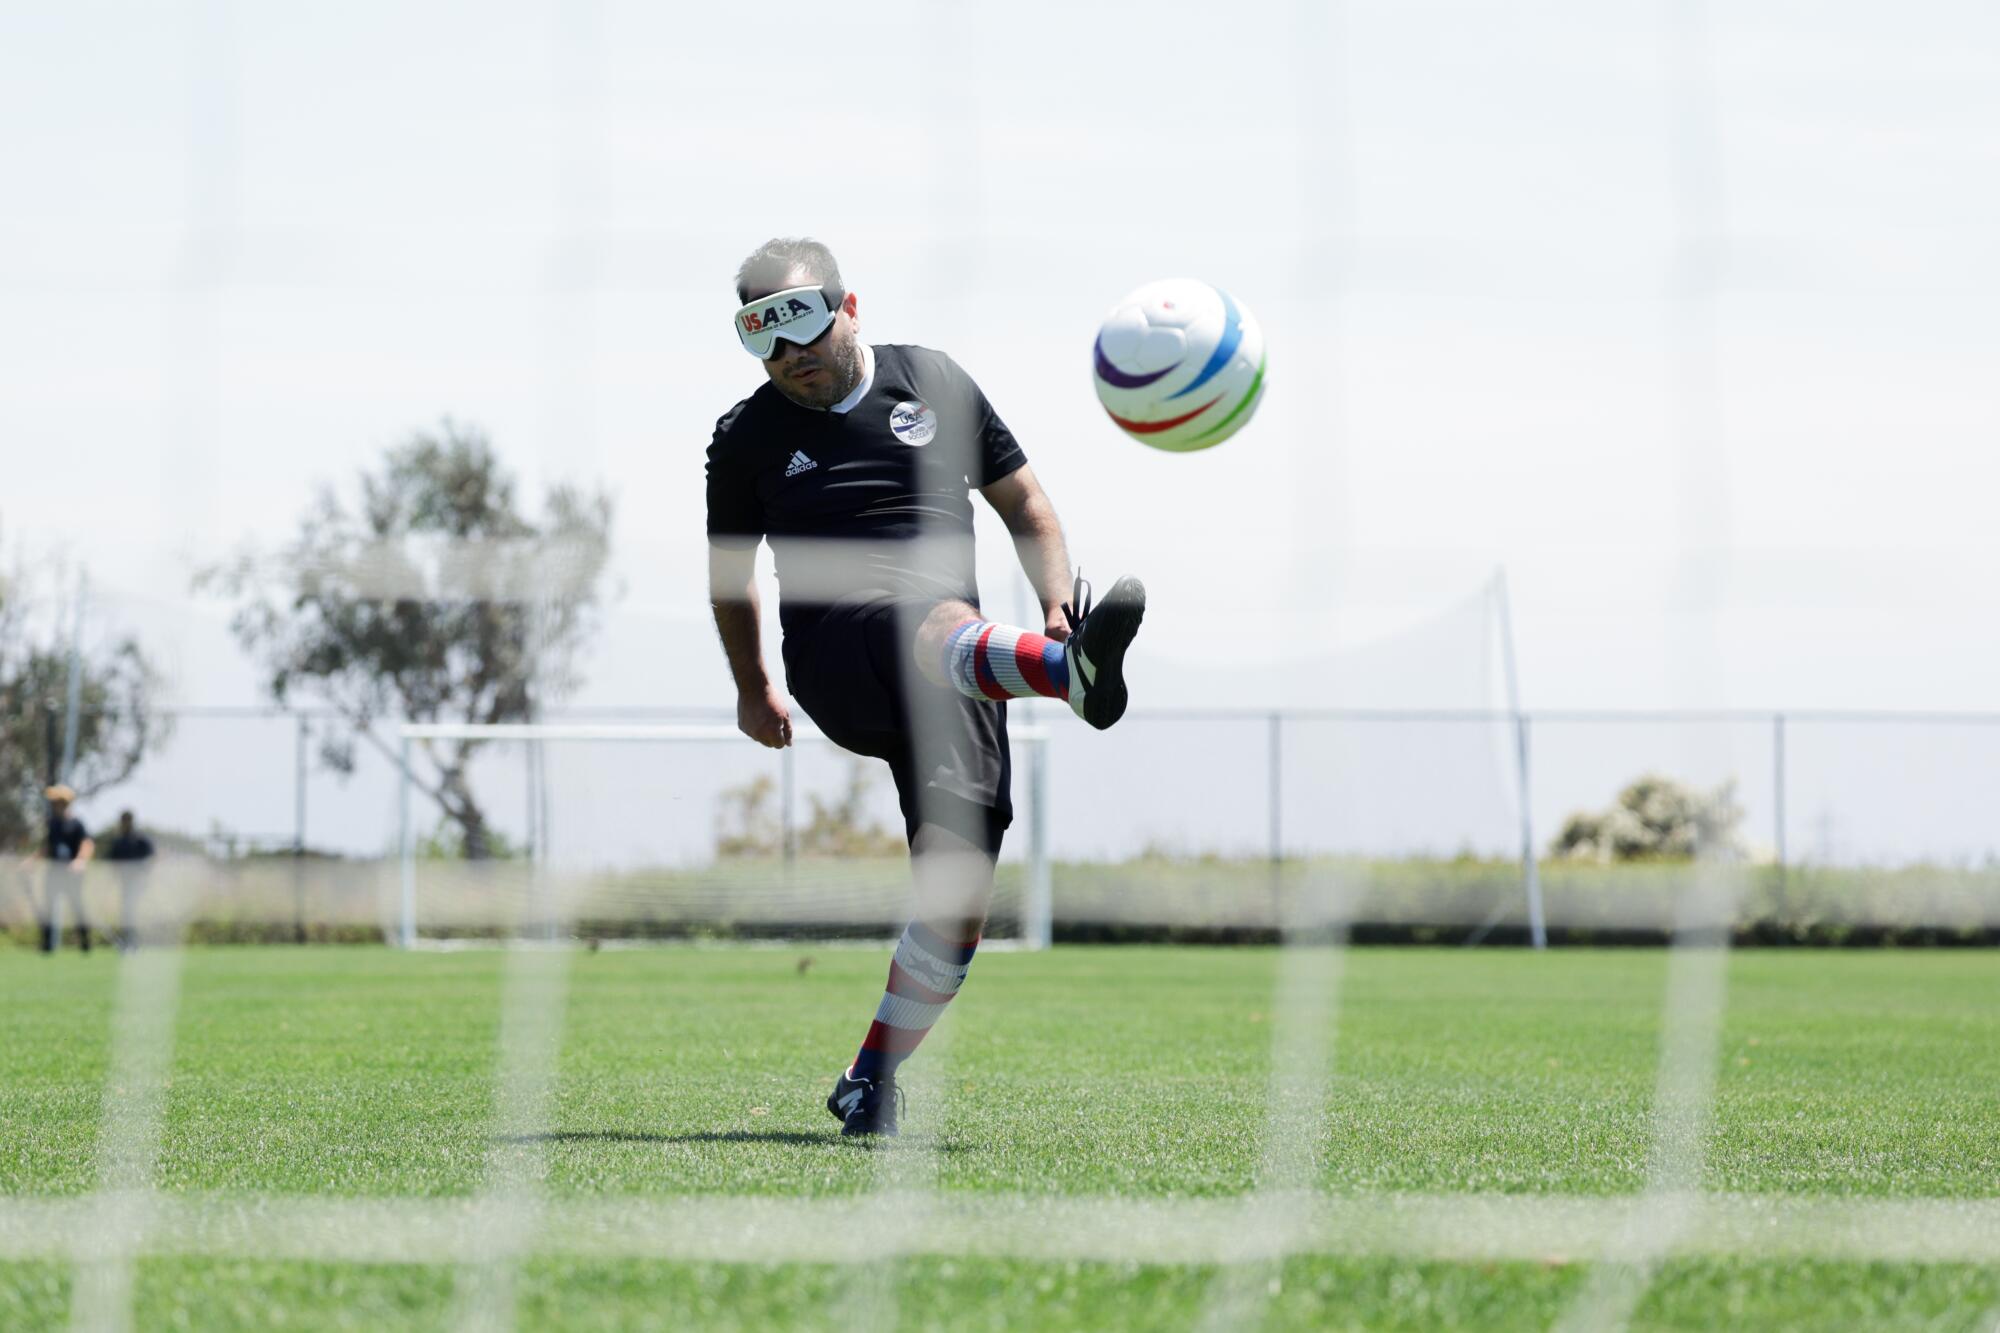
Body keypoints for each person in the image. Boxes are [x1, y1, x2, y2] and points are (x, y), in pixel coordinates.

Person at [707, 237, 1147, 1137]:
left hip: (966, 675)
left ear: (849, 306)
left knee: (958, 906)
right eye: (762, 337)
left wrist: (1058, 605)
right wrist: (753, 684)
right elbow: (728, 574)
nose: (789, 355)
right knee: (925, 612)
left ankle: (870, 1078)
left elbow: (1026, 507)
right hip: (844, 654)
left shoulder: (934, 382)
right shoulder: (744, 437)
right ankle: (1070, 675)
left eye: (801, 325)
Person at [33, 785, 94, 953]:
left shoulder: (76, 824)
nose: (52, 805)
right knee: (49, 907)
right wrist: (32, 860)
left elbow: (87, 844)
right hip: (53, 873)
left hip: (72, 875)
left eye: (55, 802)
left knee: (77, 906)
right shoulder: (52, 824)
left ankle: (85, 942)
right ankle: (47, 944)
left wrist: (80, 861)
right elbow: (48, 847)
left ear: (64, 803)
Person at [104, 810, 156, 951]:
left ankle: (135, 943)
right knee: (126, 914)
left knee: (135, 913)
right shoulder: (119, 842)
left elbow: (150, 859)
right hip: (124, 884)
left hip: (139, 883)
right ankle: (128, 943)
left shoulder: (140, 840)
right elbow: (113, 864)